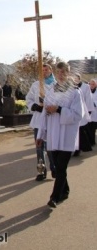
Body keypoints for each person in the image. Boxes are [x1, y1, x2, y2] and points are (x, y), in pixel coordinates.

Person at [36, 62, 84, 208]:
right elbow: (44, 114)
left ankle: (54, 197)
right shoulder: (50, 91)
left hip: (67, 135)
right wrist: (40, 135)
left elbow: (78, 115)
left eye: (64, 72)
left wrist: (59, 109)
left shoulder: (75, 92)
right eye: (59, 72)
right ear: (55, 73)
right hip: (53, 134)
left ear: (68, 73)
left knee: (61, 167)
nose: (61, 74)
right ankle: (65, 190)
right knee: (57, 166)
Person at [26, 63, 56, 181]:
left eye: (46, 69)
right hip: (39, 120)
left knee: (51, 146)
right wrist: (35, 106)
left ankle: (54, 168)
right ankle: (41, 170)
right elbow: (28, 98)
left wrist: (52, 107)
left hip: (51, 120)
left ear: (50, 70)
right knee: (39, 146)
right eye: (42, 70)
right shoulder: (36, 85)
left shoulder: (57, 85)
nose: (44, 72)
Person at [73, 74, 94, 155]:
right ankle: (76, 148)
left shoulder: (85, 87)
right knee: (76, 131)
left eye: (76, 78)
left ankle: (79, 148)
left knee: (81, 130)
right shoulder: (70, 86)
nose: (75, 80)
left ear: (79, 79)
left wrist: (88, 110)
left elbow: (88, 98)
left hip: (82, 110)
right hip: (73, 111)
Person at [89, 79, 97, 145]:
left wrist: (94, 103)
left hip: (95, 112)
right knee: (90, 129)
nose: (91, 85)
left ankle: (92, 142)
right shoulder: (87, 91)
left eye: (93, 84)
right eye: (90, 84)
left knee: (93, 128)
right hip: (89, 113)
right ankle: (91, 142)